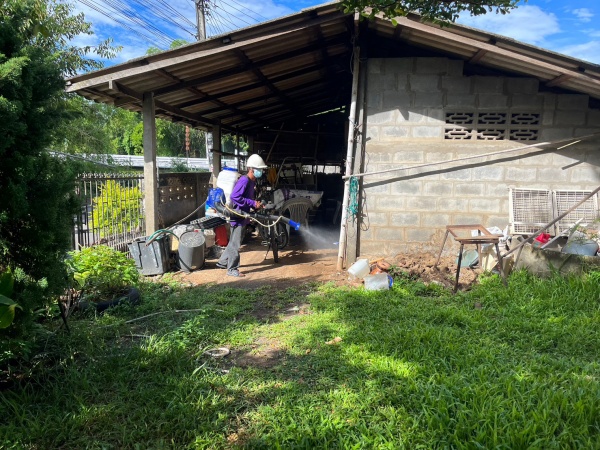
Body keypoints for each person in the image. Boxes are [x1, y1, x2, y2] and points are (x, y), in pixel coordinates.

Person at [217, 154, 268, 277]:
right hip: (237, 215)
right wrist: (252, 203)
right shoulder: (244, 180)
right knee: (235, 244)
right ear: (252, 169)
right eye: (259, 169)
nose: (261, 172)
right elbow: (235, 196)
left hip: (243, 216)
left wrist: (256, 205)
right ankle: (232, 269)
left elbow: (246, 198)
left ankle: (222, 262)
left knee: (234, 241)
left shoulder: (251, 181)